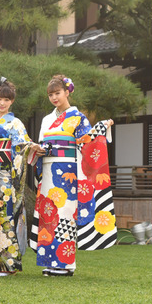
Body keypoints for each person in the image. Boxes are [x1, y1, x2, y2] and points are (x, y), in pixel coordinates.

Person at [29, 75, 115, 276]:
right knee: (49, 214)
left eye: (57, 93)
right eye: (50, 94)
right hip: (49, 169)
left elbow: (86, 141)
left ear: (67, 92)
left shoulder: (78, 117)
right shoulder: (47, 119)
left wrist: (101, 127)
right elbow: (43, 143)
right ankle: (50, 262)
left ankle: (66, 264)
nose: (54, 98)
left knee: (65, 215)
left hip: (68, 171)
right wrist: (37, 149)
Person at [0, 78, 38, 276]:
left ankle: (9, 264)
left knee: (4, 217)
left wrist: (30, 147)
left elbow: (22, 146)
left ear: (11, 101)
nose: (1, 103)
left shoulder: (16, 123)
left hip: (6, 174)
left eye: (6, 99)